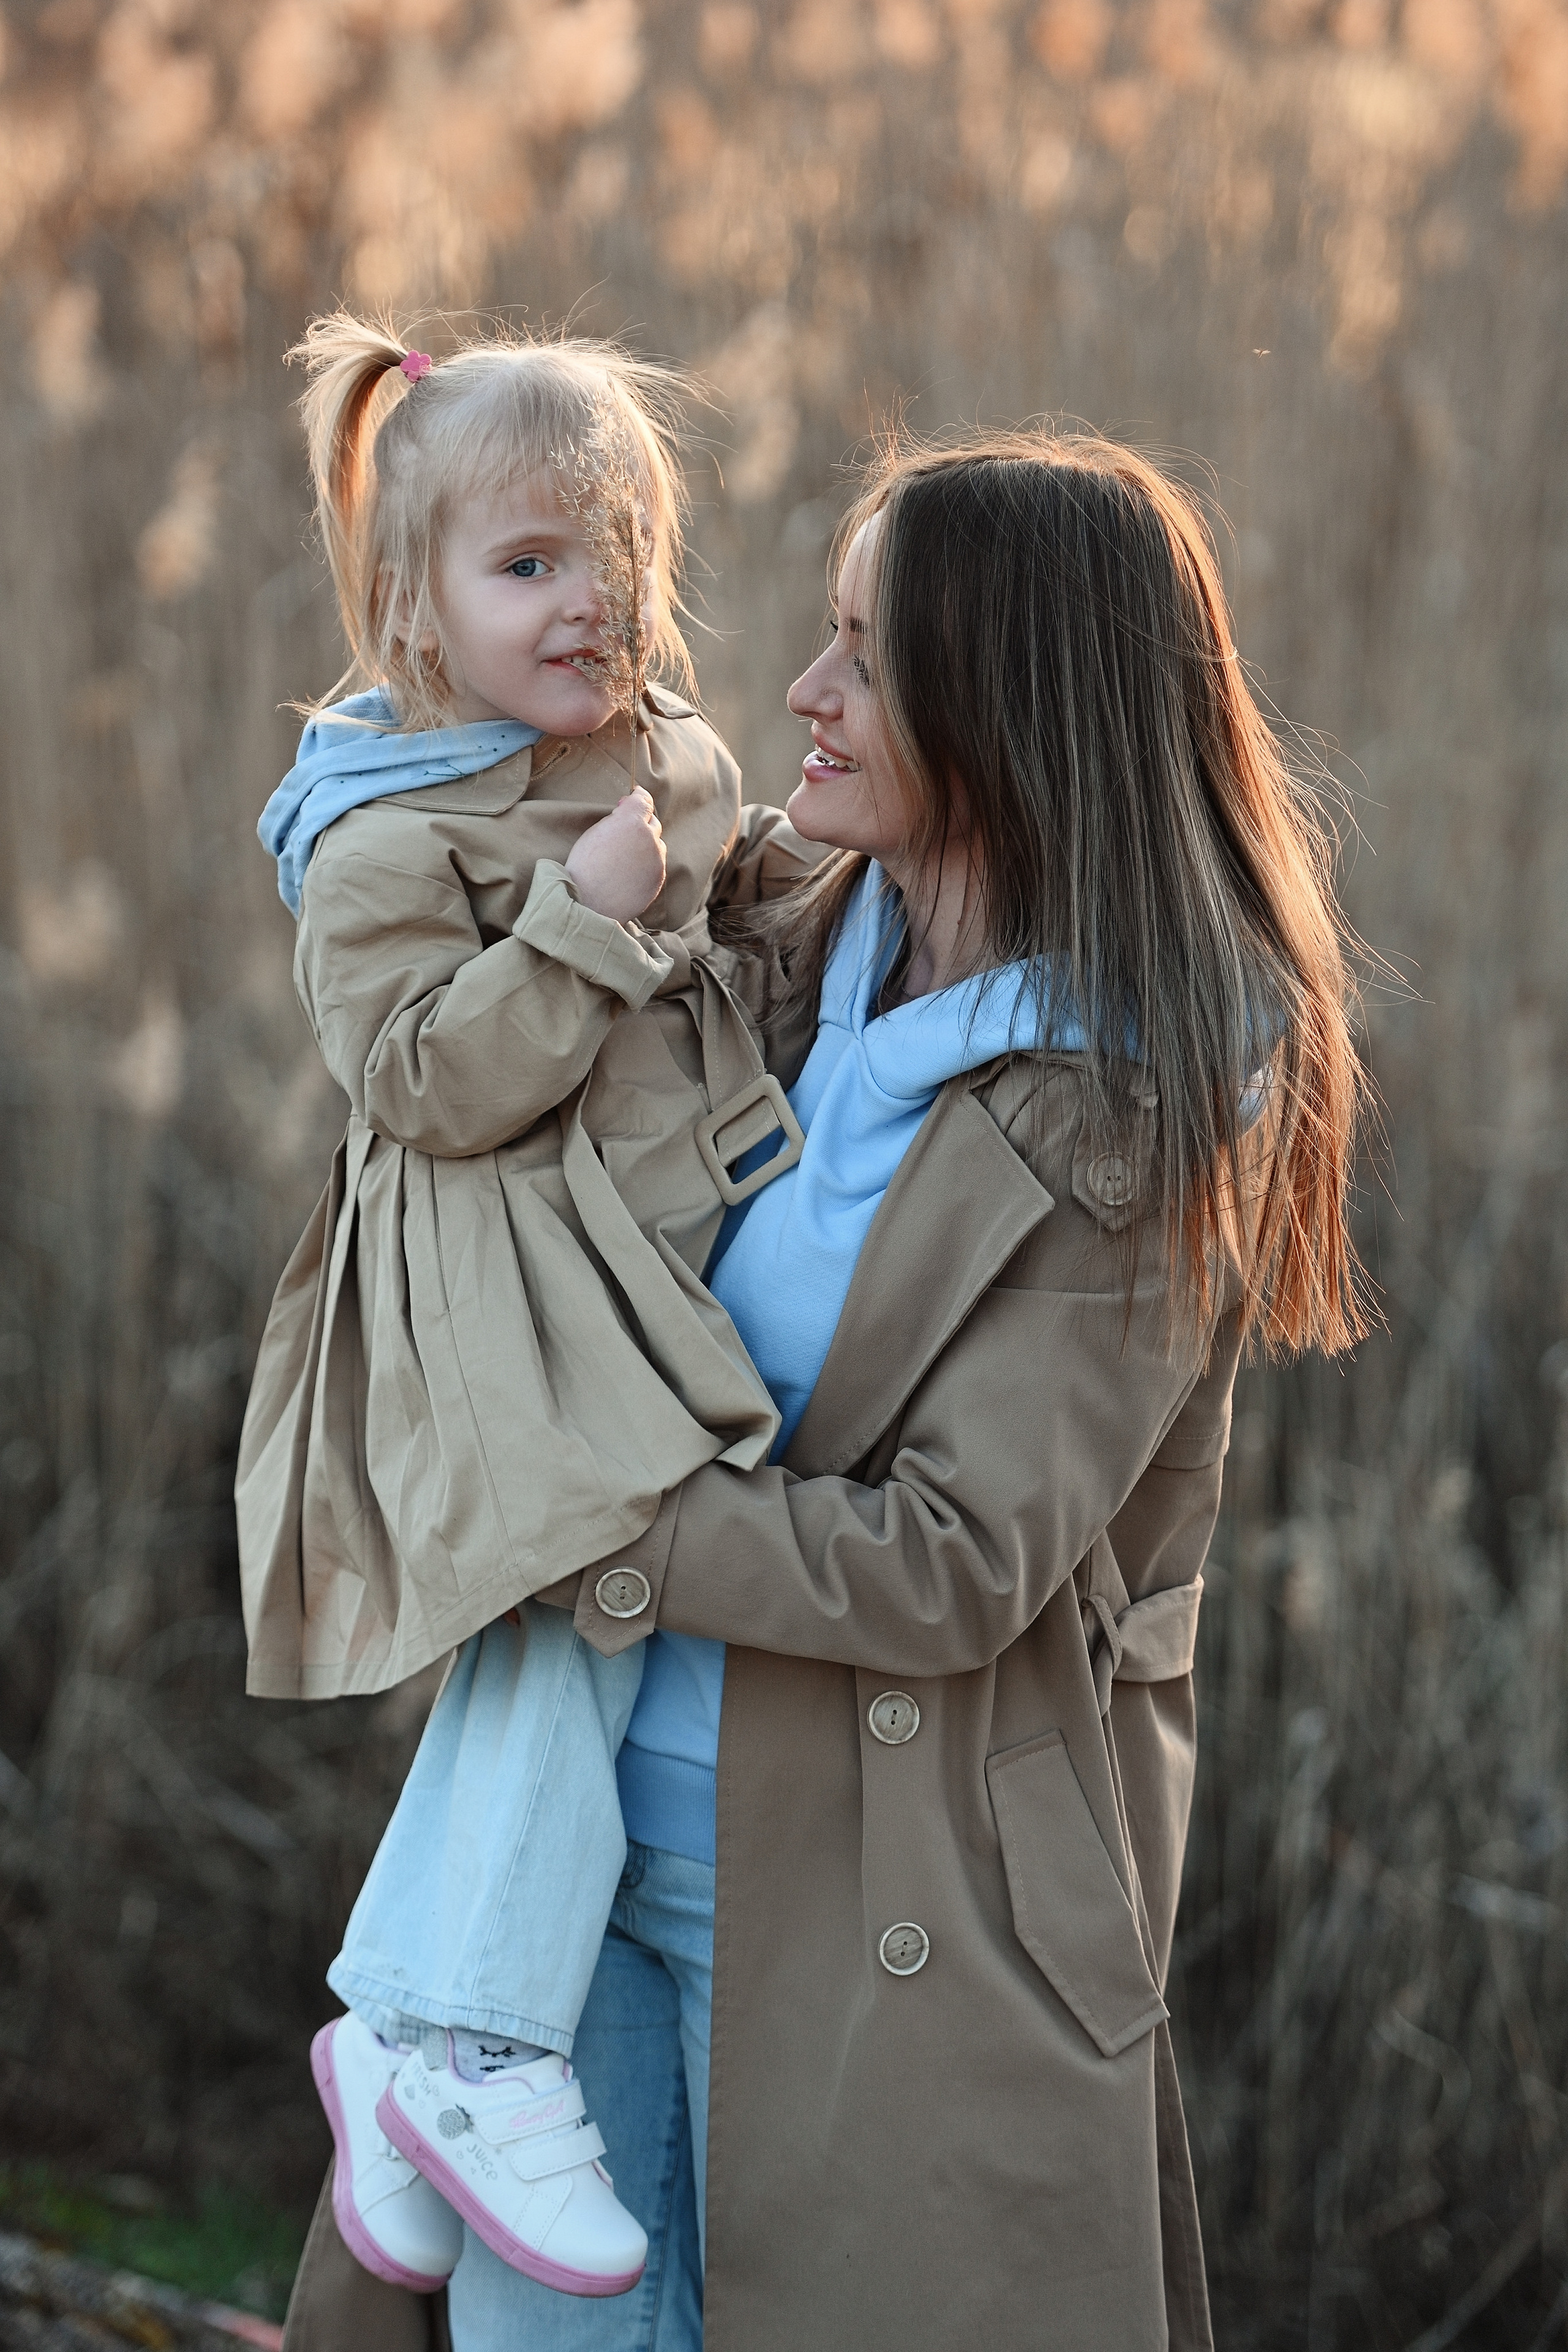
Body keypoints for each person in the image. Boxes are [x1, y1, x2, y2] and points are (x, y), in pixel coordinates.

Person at [279, 425, 1368, 2352]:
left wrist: (584, 1520)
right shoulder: (759, 923)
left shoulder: (1147, 1097)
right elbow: (444, 1009)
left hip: (893, 1902)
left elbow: (957, 1563)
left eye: (867, 655)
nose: (803, 688)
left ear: (1007, 707)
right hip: (573, 1864)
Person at [236, 315, 817, 2305]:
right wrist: (581, 921)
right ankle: (462, 2040)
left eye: (617, 551)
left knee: (593, 1627)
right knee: (590, 1591)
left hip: (637, 1277)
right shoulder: (380, 834)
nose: (591, 602)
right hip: (492, 1300)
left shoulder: (667, 751)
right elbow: (417, 1080)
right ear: (411, 601)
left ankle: (416, 2037)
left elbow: (733, 914)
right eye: (526, 565)